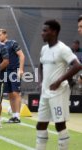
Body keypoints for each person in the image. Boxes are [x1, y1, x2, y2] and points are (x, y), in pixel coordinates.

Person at [36, 19, 81, 150]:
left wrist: (59, 81)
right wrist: (40, 82)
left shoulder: (63, 49)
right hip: (45, 93)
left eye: (45, 30)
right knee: (40, 124)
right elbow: (40, 65)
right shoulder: (44, 49)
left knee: (59, 124)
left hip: (59, 92)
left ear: (54, 32)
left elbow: (77, 65)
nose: (42, 33)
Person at [0, 28, 25, 123]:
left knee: (15, 93)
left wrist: (21, 69)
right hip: (6, 72)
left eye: (1, 34)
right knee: (10, 94)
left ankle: (18, 116)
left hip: (14, 71)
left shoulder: (12, 43)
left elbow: (21, 55)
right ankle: (14, 116)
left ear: (5, 35)